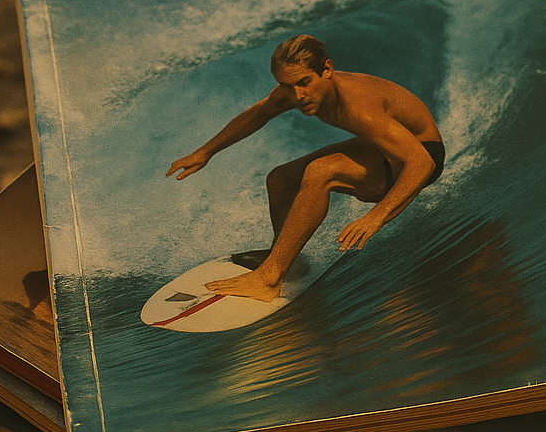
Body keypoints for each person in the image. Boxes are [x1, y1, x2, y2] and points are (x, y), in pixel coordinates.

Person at [166, 34, 445, 302]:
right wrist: (205, 152)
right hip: (385, 148)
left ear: (326, 69)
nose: (296, 95)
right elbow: (258, 113)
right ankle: (284, 257)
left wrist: (375, 217)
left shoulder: (360, 107)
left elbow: (422, 163)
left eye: (303, 82)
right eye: (286, 85)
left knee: (321, 172)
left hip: (418, 154)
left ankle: (269, 278)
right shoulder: (296, 89)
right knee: (281, 179)